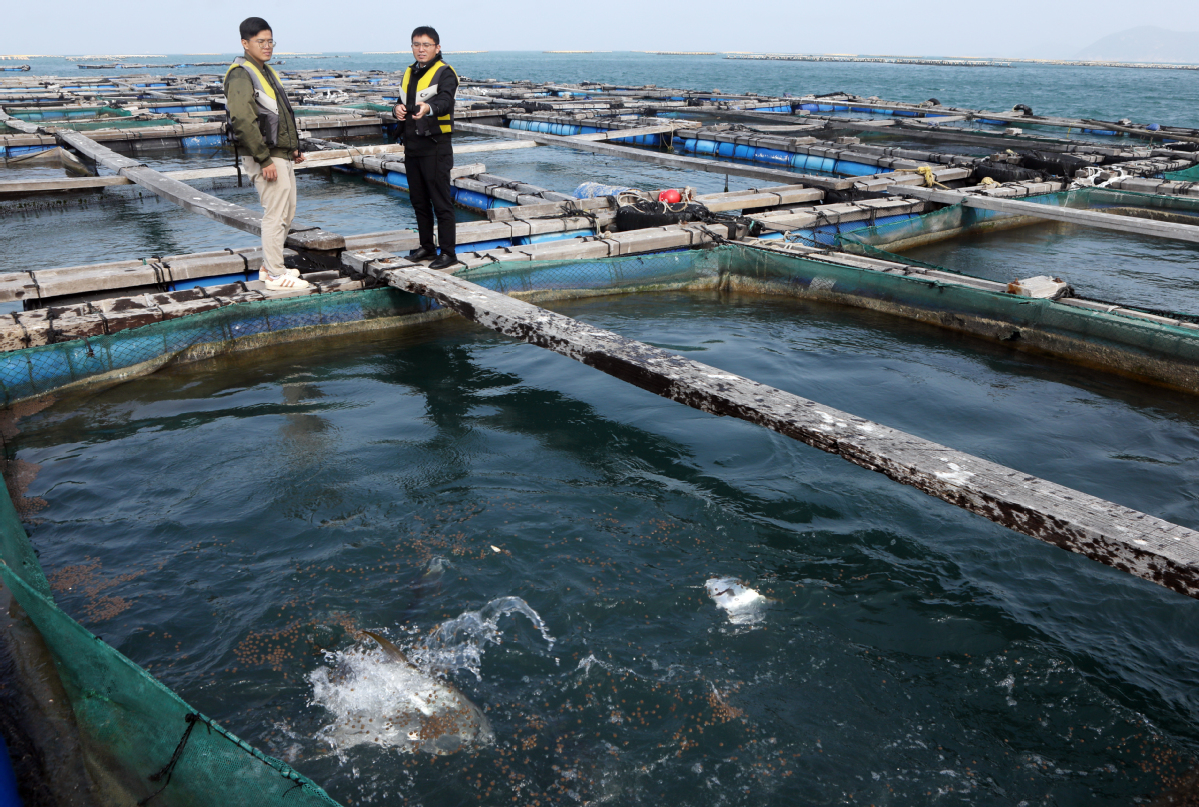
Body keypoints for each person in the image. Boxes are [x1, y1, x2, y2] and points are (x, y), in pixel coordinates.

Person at [224, 17, 311, 291]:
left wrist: (292, 148)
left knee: (287, 210)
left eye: (270, 41)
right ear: (245, 43)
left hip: (279, 153)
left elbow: (278, 114)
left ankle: (267, 266)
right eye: (260, 41)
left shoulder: (265, 71)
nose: (267, 46)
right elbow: (242, 120)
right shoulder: (241, 74)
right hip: (265, 156)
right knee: (274, 213)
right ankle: (275, 274)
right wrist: (263, 159)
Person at [392, 26, 459, 270]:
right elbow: (402, 101)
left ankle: (448, 252)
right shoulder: (410, 72)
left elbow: (444, 101)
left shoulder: (445, 73)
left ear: (437, 48)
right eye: (416, 44)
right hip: (412, 146)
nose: (421, 49)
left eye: (426, 45)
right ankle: (427, 247)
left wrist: (428, 108)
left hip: (436, 146)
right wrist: (396, 110)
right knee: (418, 200)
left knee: (441, 201)